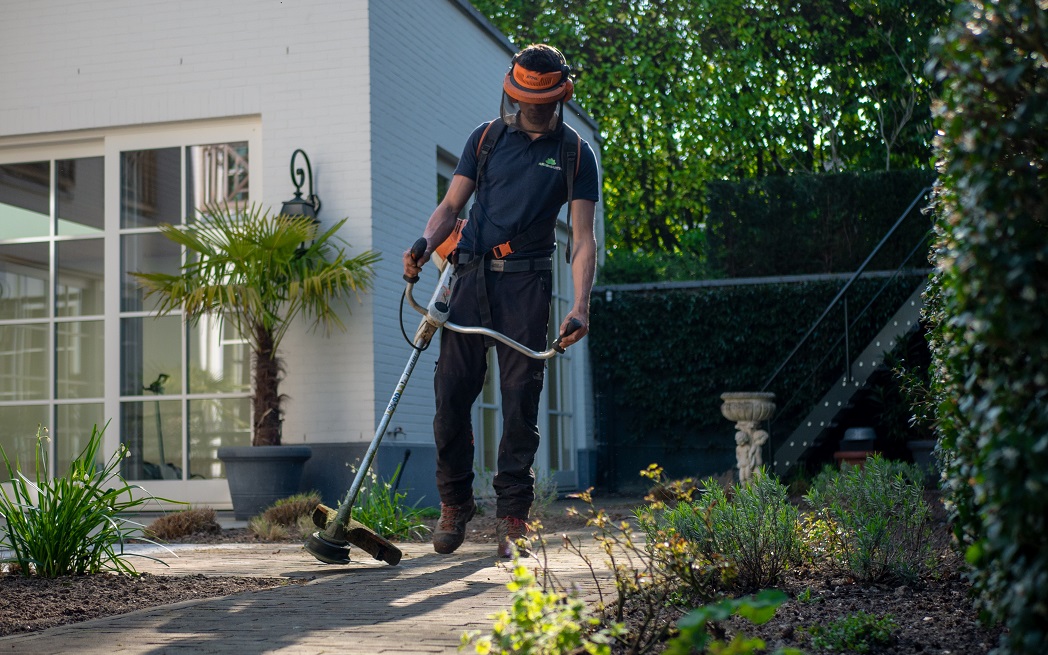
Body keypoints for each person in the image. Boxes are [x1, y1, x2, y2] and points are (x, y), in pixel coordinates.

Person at [402, 44, 599, 558]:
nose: (527, 108)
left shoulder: (576, 154)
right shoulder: (486, 139)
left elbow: (582, 239)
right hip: (466, 281)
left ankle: (512, 518)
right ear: (510, 91)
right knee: (450, 400)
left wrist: (580, 305)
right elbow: (450, 206)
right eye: (520, 98)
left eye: (538, 101)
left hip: (525, 289)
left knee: (519, 406)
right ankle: (455, 505)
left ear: (559, 96)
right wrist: (425, 244)